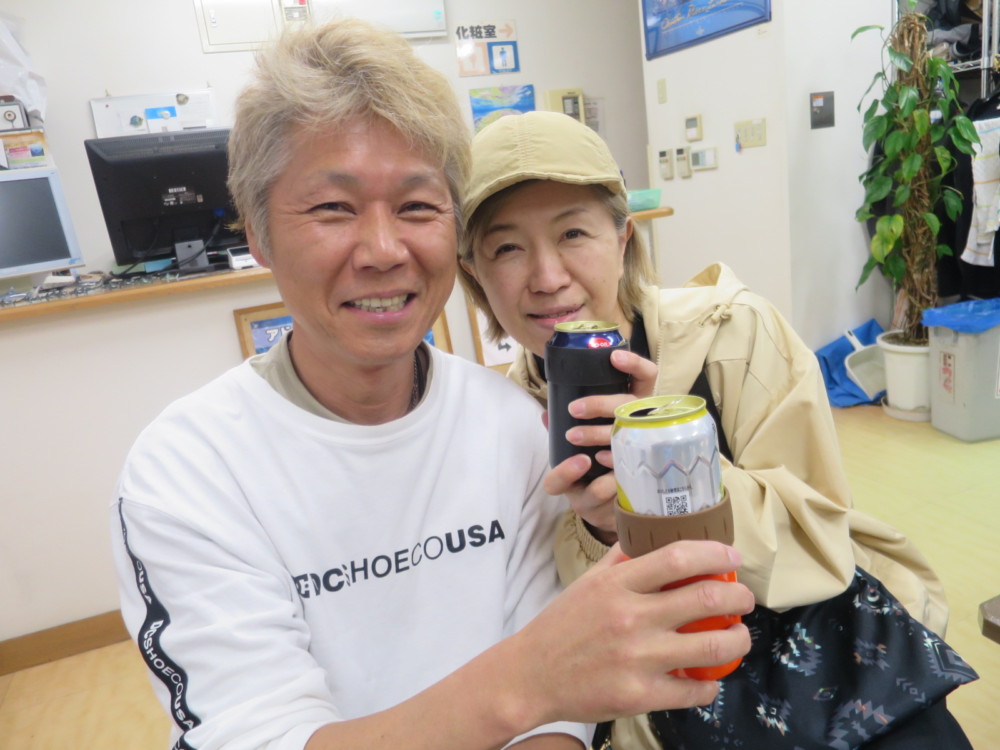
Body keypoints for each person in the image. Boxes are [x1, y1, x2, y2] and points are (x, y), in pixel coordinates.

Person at [109, 20, 756, 750]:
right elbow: (263, 735)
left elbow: (559, 722)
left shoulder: (511, 426)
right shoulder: (189, 471)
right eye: (332, 208)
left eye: (417, 206)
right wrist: (533, 677)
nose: (384, 251)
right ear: (258, 234)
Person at [458, 111, 976, 749]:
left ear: (622, 237)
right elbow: (557, 627)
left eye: (573, 232)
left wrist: (670, 468)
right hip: (673, 712)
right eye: (506, 248)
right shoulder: (502, 418)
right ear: (474, 273)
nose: (547, 277)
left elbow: (817, 546)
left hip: (836, 676)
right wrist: (601, 527)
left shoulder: (733, 333)